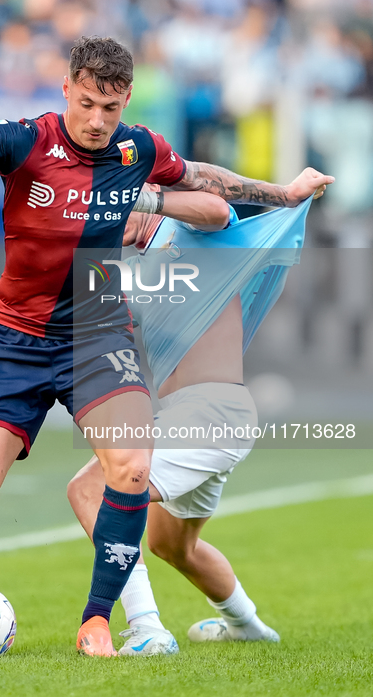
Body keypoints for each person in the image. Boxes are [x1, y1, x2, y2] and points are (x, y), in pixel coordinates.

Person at [0, 37, 332, 656]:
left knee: (131, 468)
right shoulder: (25, 140)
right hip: (15, 339)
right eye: (86, 103)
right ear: (67, 89)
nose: (96, 121)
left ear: (126, 100)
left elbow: (211, 186)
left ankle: (101, 621)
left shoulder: (140, 149)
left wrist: (283, 193)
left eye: (109, 108)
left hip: (96, 333)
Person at [67, 183, 317, 655]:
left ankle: (147, 628)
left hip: (212, 414)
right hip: (195, 418)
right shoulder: (133, 266)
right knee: (171, 545)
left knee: (90, 489)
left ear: (154, 193)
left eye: (128, 200)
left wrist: (288, 192)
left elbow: (218, 210)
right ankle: (248, 625)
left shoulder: (194, 231)